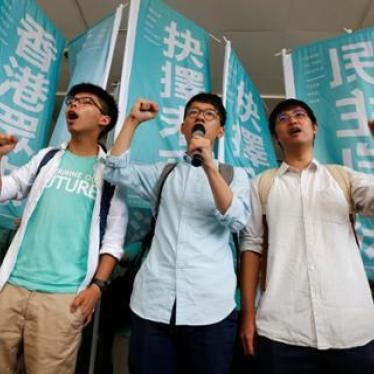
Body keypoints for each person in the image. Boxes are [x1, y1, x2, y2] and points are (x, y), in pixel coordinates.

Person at [104, 92, 251, 374]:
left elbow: (236, 221)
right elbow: (114, 171)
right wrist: (133, 121)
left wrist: (209, 165)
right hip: (153, 305)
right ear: (183, 127)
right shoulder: (165, 172)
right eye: (193, 113)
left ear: (219, 130)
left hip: (210, 309)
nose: (199, 117)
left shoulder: (235, 175)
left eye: (209, 114)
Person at [239, 98, 374, 374]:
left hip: (350, 327)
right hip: (282, 329)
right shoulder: (262, 184)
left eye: (300, 115)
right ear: (276, 137)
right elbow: (252, 246)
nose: (292, 120)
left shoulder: (342, 178)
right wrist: (248, 315)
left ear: (314, 128)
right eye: (282, 119)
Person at [0, 83, 127, 374]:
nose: (74, 106)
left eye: (85, 102)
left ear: (103, 120)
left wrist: (97, 288)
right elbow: (6, 189)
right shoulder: (46, 158)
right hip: (11, 287)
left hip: (63, 298)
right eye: (72, 101)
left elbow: (114, 241)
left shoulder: (111, 173)